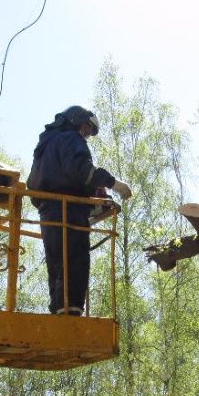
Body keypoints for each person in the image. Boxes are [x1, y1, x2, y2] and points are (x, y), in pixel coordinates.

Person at [27, 105, 132, 315]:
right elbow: (81, 170)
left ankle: (59, 307)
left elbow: (38, 182)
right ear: (76, 121)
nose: (86, 135)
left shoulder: (45, 145)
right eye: (86, 129)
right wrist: (114, 183)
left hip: (48, 211)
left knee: (57, 262)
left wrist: (91, 193)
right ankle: (72, 309)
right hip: (70, 210)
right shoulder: (70, 139)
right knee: (75, 259)